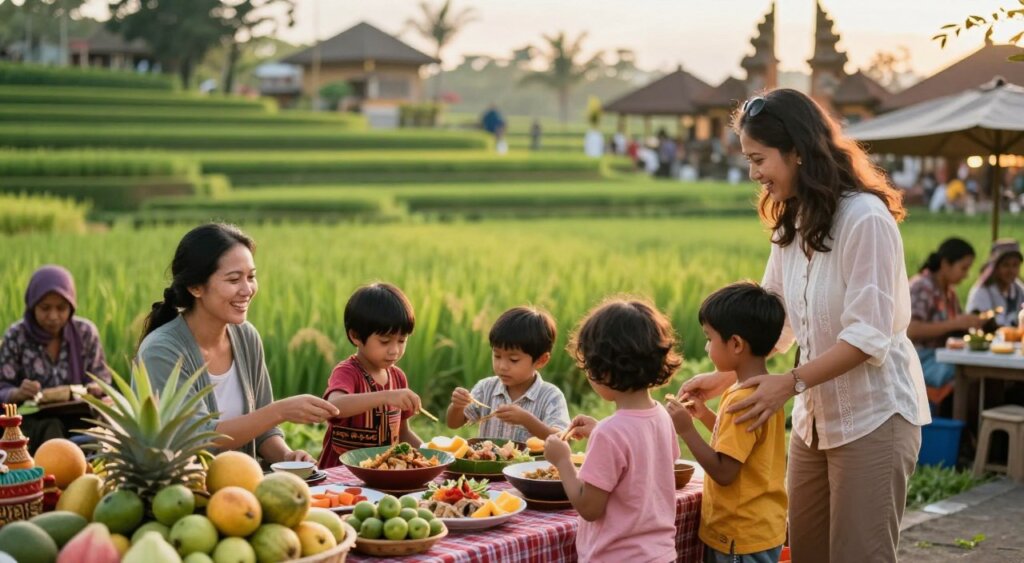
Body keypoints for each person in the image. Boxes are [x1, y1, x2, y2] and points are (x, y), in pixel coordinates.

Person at [681, 89, 931, 563]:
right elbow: (774, 317)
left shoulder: (865, 220)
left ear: (797, 150)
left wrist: (789, 383)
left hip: (874, 417)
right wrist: (725, 376)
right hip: (814, 422)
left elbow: (868, 335)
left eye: (759, 159)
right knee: (806, 552)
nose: (753, 173)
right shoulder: (792, 221)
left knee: (859, 555)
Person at [137, 223, 337, 465]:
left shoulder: (246, 337)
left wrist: (287, 456)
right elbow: (194, 438)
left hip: (243, 491)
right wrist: (279, 411)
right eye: (234, 279)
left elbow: (263, 431)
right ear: (195, 287)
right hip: (182, 495)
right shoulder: (162, 351)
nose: (247, 290)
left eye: (251, 277)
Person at [544, 297, 681, 563]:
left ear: (603, 370)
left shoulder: (610, 433)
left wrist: (562, 461)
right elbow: (643, 467)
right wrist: (598, 433)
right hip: (660, 554)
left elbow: (588, 508)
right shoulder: (661, 417)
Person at [669, 281, 787, 563]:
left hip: (738, 534)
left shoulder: (740, 400)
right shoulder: (763, 391)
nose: (707, 346)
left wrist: (686, 429)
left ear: (735, 344)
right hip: (761, 525)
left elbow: (724, 472)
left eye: (709, 338)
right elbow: (741, 446)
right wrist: (706, 416)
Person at [0, 265, 111, 452]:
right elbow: (2, 386)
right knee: (51, 428)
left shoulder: (85, 333)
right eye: (45, 308)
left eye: (61, 308)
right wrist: (17, 393)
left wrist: (96, 389)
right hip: (34, 422)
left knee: (96, 433)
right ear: (32, 305)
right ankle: (53, 474)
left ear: (72, 306)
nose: (53, 316)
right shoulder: (16, 336)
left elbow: (102, 380)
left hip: (79, 416)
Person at [318, 282, 423, 469]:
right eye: (385, 341)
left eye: (402, 341)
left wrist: (429, 452)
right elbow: (334, 406)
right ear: (356, 336)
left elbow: (403, 433)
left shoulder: (398, 377)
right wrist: (386, 396)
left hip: (383, 476)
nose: (394, 351)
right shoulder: (348, 372)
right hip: (342, 476)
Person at [446, 306, 570, 442]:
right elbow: (453, 423)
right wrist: (458, 406)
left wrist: (527, 420)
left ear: (541, 360)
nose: (502, 366)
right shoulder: (486, 388)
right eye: (497, 356)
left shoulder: (550, 396)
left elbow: (562, 439)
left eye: (513, 360)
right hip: (487, 461)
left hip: (531, 464)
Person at [908, 238, 985, 387]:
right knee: (967, 374)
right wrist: (954, 324)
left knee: (978, 373)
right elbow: (911, 330)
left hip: (941, 356)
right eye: (963, 268)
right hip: (918, 359)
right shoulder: (922, 287)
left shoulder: (949, 292)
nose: (966, 275)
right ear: (945, 264)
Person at [966, 239, 1024, 328]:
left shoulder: (1019, 289)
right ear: (995, 268)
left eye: (1015, 265)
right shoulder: (982, 291)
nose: (1011, 271)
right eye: (1005, 265)